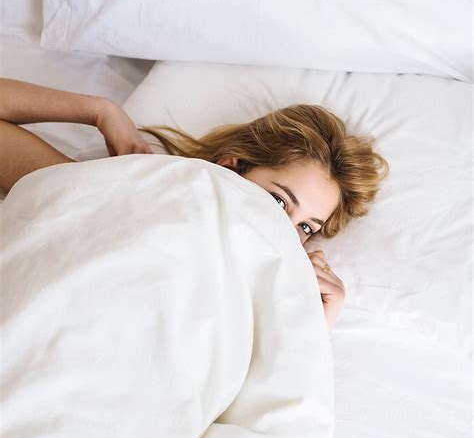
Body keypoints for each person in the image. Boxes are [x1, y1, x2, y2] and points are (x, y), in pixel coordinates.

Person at [0, 78, 389, 330]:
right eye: (277, 201)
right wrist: (101, 111)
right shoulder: (121, 194)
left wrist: (317, 323)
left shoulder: (267, 304)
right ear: (228, 170)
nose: (286, 233)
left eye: (306, 228)